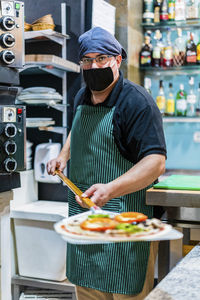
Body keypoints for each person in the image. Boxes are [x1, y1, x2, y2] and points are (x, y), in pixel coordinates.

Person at [47, 27, 166, 300]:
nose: (94, 66)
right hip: (84, 222)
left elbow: (156, 162)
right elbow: (77, 131)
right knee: (86, 290)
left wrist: (110, 190)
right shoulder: (82, 95)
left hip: (125, 223)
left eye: (102, 59)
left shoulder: (137, 103)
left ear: (117, 60)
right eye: (87, 60)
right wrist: (63, 156)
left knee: (127, 292)